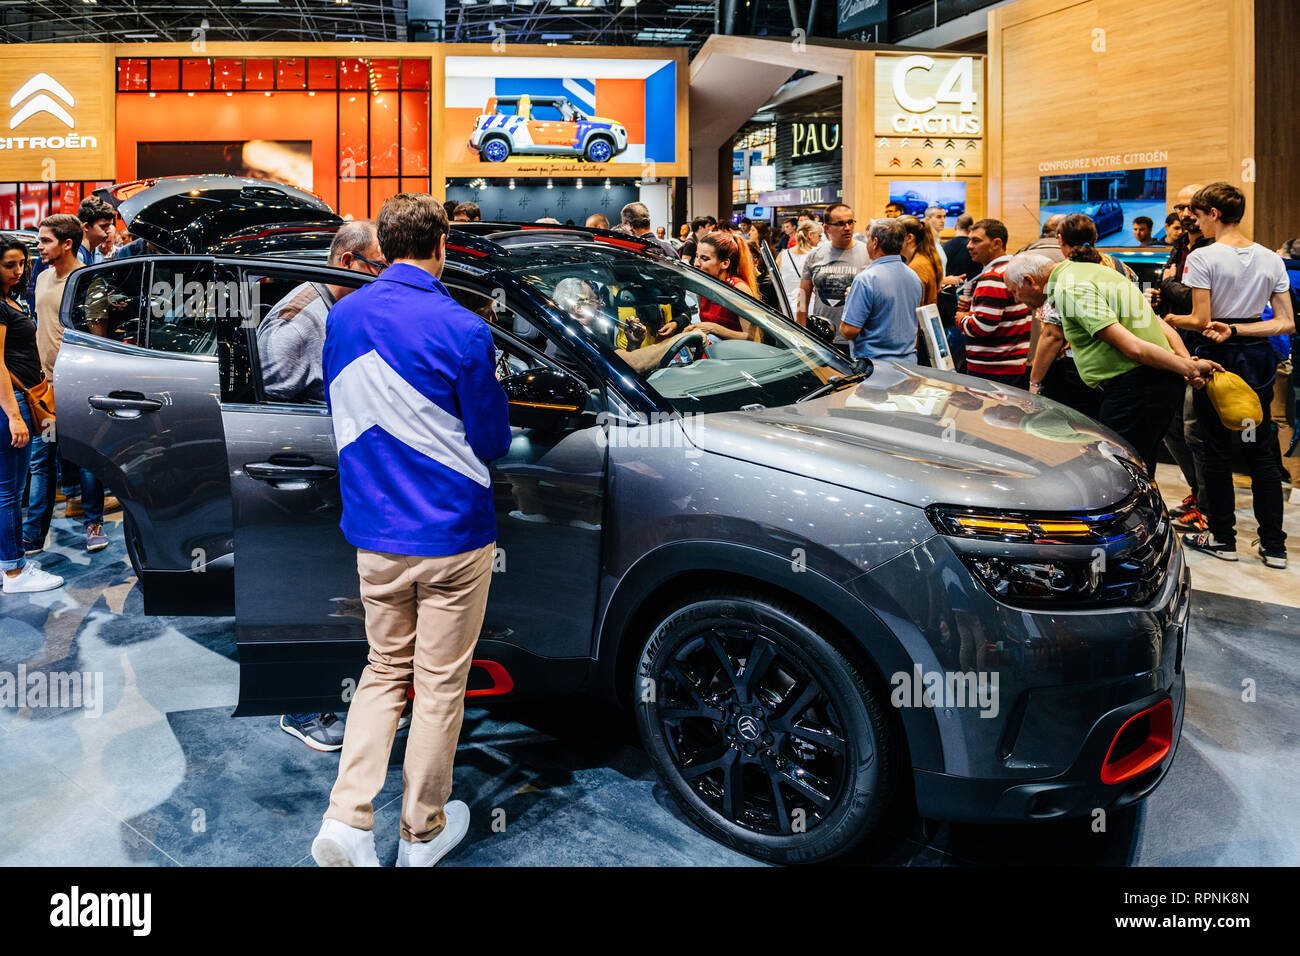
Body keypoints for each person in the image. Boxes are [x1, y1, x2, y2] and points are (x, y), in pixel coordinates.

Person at [312, 193, 511, 867]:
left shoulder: (342, 318)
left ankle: (346, 820)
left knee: (382, 671)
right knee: (438, 684)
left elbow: (337, 403)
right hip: (454, 534)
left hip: (375, 531)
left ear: (383, 248)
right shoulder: (465, 328)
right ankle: (421, 831)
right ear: (442, 246)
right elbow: (491, 440)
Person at [1164, 182, 1294, 567]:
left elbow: (1201, 319)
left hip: (1217, 362)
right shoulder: (1272, 258)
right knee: (1259, 451)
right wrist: (1239, 328)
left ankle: (1223, 537)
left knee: (1217, 451)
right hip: (1256, 363)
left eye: (1199, 215)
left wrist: (1171, 319)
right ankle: (1274, 546)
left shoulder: (1203, 257)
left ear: (1214, 214)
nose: (1195, 222)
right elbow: (1285, 323)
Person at [1006, 243, 1218, 477]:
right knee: (1139, 468)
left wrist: (1189, 368)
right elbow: (1157, 323)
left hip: (1135, 388)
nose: (1017, 298)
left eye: (1014, 291)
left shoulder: (1069, 288)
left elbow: (1132, 347)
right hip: (1152, 384)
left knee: (1121, 474)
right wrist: (1185, 362)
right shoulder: (1096, 272)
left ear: (1029, 280)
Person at [23, 215, 110, 555]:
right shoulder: (42, 276)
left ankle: (94, 523)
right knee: (42, 460)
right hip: (43, 388)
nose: (39, 246)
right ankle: (32, 535)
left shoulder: (90, 282)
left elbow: (99, 341)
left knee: (86, 459)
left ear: (66, 243)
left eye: (45, 241)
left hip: (76, 387)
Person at [258, 220, 384, 407]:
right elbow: (261, 413)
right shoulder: (297, 326)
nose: (384, 276)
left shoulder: (344, 306)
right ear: (348, 262)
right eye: (380, 266)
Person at [1, 236, 63, 593]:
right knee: (10, 491)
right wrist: (14, 414)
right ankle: (14, 571)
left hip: (19, 400)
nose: (19, 270)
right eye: (10, 264)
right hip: (13, 404)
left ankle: (9, 560)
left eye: (21, 263)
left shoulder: (10, 299)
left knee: (8, 488)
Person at [1154, 183, 1214, 532]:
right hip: (1175, 347)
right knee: (1173, 427)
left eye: (1191, 207)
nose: (1184, 214)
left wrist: (1166, 285)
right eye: (1179, 207)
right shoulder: (1180, 247)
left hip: (1202, 348)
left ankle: (1209, 507)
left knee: (1197, 433)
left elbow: (1194, 299)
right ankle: (1198, 493)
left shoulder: (1210, 248)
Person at [955, 218, 1033, 389]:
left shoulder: (993, 276)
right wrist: (972, 312)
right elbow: (1000, 315)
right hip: (1011, 365)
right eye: (969, 240)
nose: (969, 246)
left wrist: (961, 318)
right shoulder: (1012, 269)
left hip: (993, 369)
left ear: (996, 243)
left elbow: (982, 327)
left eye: (976, 241)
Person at [840, 218, 923, 363]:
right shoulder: (914, 276)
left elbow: (848, 331)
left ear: (875, 242)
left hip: (876, 367)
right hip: (909, 362)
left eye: (868, 239)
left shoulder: (866, 279)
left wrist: (851, 300)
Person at [797, 203, 870, 349]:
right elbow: (803, 296)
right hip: (822, 336)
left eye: (850, 222)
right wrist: (801, 333)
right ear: (827, 228)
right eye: (841, 224)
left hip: (856, 338)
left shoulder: (868, 253)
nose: (848, 228)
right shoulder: (815, 256)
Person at [692, 231, 760, 340]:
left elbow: (753, 338)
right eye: (696, 256)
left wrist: (714, 328)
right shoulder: (705, 286)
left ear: (725, 263)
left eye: (704, 259)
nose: (696, 263)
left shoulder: (739, 288)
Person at [776, 219, 822, 316]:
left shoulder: (783, 255)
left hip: (787, 308)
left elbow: (777, 283)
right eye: (819, 236)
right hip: (810, 308)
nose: (820, 239)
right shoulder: (817, 255)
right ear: (810, 235)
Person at [899, 215, 942, 307]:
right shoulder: (921, 259)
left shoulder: (916, 266)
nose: (891, 240)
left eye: (895, 235)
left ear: (909, 238)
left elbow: (912, 309)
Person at [924, 206, 948, 273]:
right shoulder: (924, 243)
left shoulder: (937, 241)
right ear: (927, 219)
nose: (943, 221)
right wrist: (946, 280)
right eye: (939, 217)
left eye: (944, 217)